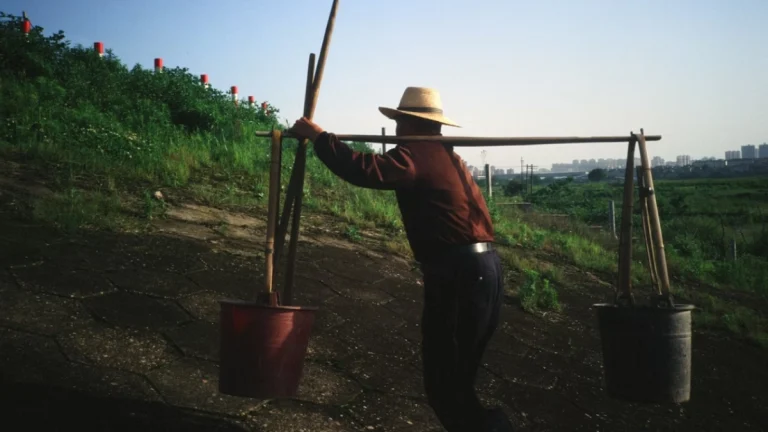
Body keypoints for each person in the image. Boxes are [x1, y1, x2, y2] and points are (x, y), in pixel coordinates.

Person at [290, 87, 513, 432]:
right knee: (456, 380)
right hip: (481, 270)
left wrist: (319, 137)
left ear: (409, 124)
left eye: (398, 122)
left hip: (462, 275)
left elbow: (366, 169)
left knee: (445, 381)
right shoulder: (445, 155)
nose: (395, 130)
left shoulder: (418, 155)